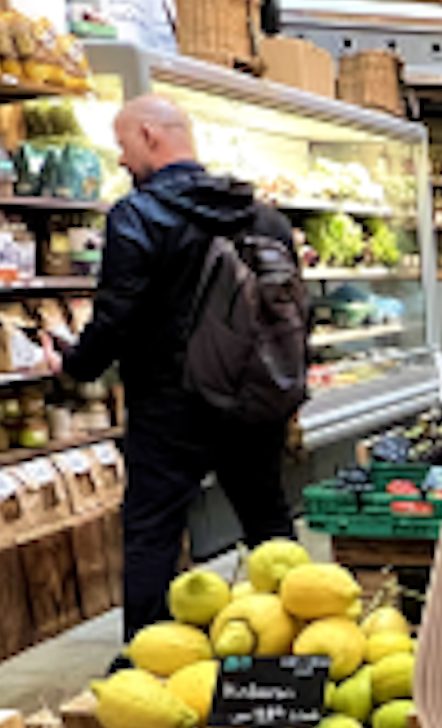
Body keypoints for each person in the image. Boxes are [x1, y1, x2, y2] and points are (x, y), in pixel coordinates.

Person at [56, 92, 304, 639]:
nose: (121, 160)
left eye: (122, 144)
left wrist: (77, 366)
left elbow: (116, 315)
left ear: (149, 136)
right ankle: (302, 647)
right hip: (250, 401)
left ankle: (149, 661)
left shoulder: (138, 215)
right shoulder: (261, 215)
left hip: (169, 407)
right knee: (268, 523)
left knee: (153, 533)